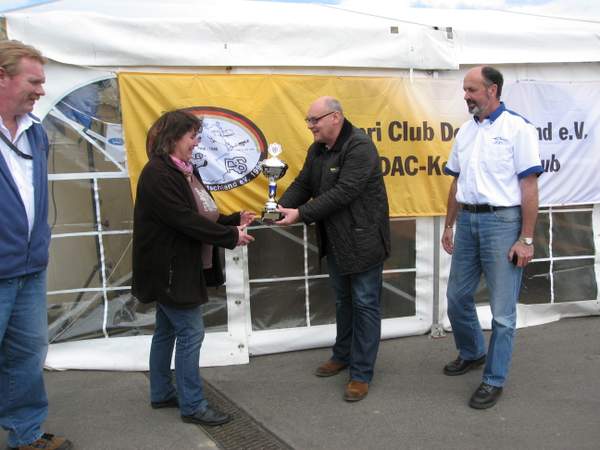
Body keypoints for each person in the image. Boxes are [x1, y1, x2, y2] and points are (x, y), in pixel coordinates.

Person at [131, 110, 255, 426]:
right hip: (170, 269)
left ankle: (161, 392)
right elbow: (183, 220)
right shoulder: (158, 174)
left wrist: (233, 220)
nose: (196, 142)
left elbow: (201, 214)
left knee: (166, 330)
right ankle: (193, 405)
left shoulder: (185, 171)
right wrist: (231, 236)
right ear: (173, 138)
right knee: (190, 333)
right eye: (192, 136)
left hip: (178, 267)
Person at [441, 66, 543, 409]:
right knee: (456, 297)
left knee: (502, 312)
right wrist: (449, 225)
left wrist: (525, 239)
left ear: (492, 90)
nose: (466, 95)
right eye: (465, 90)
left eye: (471, 89)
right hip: (468, 220)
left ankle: (494, 379)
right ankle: (472, 352)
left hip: (502, 223)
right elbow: (456, 182)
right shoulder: (465, 132)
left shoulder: (518, 128)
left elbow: (529, 187)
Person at [276, 96, 390, 402]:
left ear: (335, 117)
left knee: (365, 304)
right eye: (308, 120)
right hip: (337, 240)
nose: (310, 126)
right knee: (343, 301)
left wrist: (301, 214)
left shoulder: (360, 146)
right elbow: (304, 183)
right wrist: (279, 207)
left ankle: (361, 374)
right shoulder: (318, 148)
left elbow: (344, 192)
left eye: (314, 120)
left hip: (363, 239)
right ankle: (343, 354)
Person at [0, 40, 73, 450]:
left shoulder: (35, 132)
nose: (41, 91)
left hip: (29, 268)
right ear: (2, 77)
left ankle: (25, 436)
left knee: (26, 357)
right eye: (34, 81)